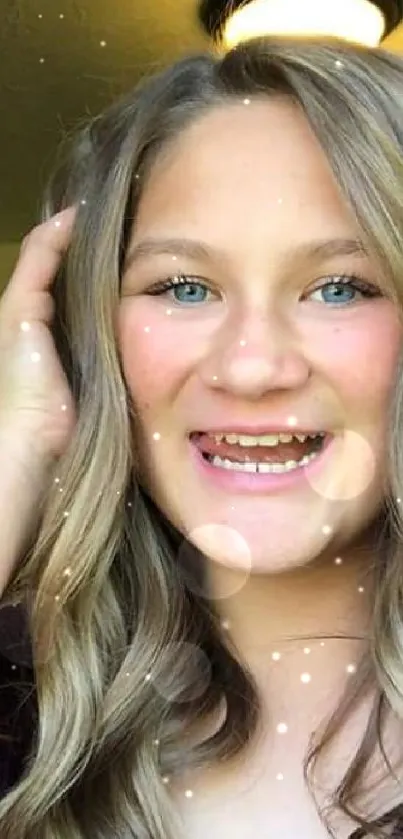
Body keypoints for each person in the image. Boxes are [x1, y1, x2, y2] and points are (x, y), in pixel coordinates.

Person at [0, 33, 402, 839]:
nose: (252, 367)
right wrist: (17, 448)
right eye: (184, 286)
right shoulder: (21, 725)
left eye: (339, 287)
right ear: (93, 336)